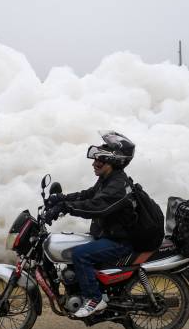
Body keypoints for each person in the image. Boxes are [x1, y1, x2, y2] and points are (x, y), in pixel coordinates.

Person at [45, 131, 136, 318]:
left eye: (100, 161)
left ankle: (95, 299)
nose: (94, 164)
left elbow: (96, 206)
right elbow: (89, 195)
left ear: (114, 162)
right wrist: (62, 199)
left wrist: (65, 207)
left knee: (80, 255)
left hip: (120, 241)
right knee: (73, 246)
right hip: (108, 234)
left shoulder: (118, 186)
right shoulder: (108, 179)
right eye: (95, 160)